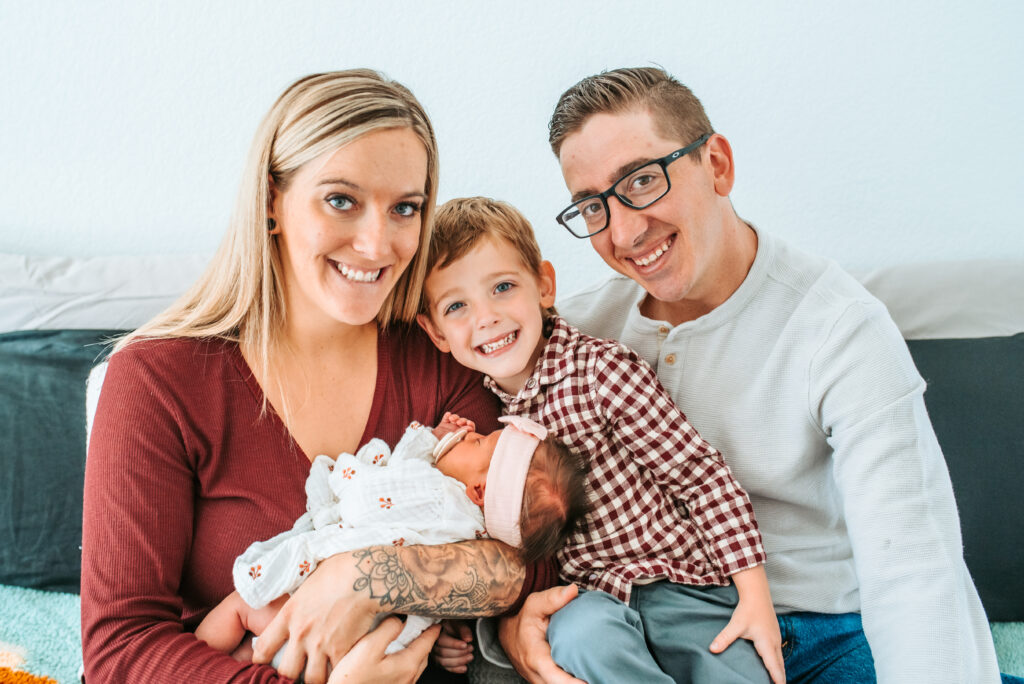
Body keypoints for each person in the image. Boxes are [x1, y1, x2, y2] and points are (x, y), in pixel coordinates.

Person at [493, 67, 1003, 683]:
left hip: (817, 633)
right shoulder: (569, 335)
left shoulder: (840, 328)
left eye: (643, 181)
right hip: (641, 629)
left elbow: (914, 565)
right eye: (592, 207)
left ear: (717, 165)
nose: (624, 231)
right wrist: (509, 630)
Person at [81, 70, 554, 684]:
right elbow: (120, 649)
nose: (376, 242)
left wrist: (364, 579)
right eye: (341, 200)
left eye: (404, 208)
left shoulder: (443, 356)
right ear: (272, 201)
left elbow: (529, 558)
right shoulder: (158, 381)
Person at [417, 197, 785, 684]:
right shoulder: (483, 422)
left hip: (681, 584)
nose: (485, 317)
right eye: (457, 306)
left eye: (502, 287)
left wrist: (754, 593)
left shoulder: (601, 371)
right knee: (577, 638)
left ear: (544, 286)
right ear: (436, 332)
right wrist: (453, 627)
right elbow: (469, 533)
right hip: (592, 601)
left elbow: (700, 477)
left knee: (741, 671)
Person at [195, 412, 586, 661]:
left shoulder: (438, 494)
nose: (471, 432)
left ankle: (199, 655)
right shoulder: (472, 531)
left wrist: (429, 438)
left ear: (479, 492)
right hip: (368, 647)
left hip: (321, 612)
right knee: (258, 654)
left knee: (242, 606)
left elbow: (374, 496)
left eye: (480, 442)